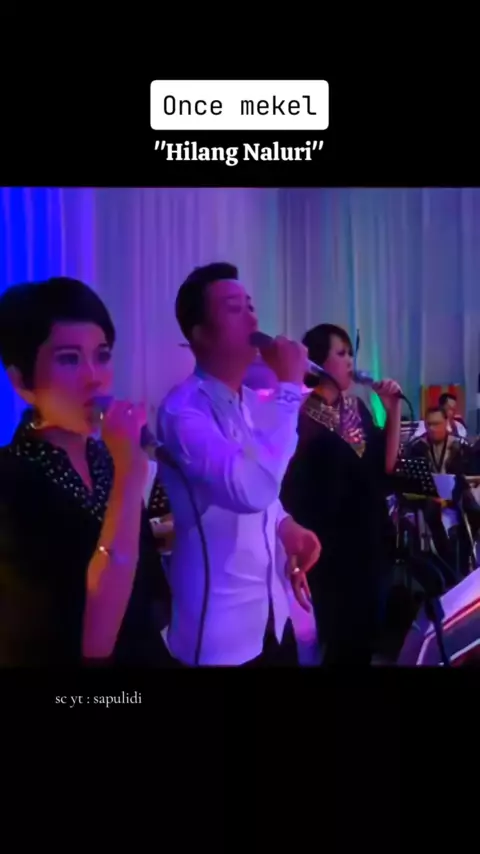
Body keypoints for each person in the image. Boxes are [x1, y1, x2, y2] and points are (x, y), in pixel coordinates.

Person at [0, 277, 171, 666]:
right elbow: (93, 644)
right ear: (22, 380)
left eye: (103, 355)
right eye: (69, 359)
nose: (95, 376)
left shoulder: (107, 456)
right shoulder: (10, 481)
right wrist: (130, 473)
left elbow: (150, 580)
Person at [157, 262, 321, 667]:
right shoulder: (183, 413)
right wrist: (288, 387)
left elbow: (263, 491)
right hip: (218, 634)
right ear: (199, 334)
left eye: (251, 306)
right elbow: (250, 490)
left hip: (270, 615)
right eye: (234, 308)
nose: (252, 318)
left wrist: (286, 526)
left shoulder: (244, 402)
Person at [280, 323, 402, 666]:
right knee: (339, 638)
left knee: (366, 635)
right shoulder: (303, 415)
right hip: (331, 546)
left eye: (351, 354)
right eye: (342, 353)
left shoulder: (356, 408)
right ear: (318, 362)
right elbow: (293, 486)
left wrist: (392, 409)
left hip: (370, 537)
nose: (350, 361)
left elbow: (386, 464)